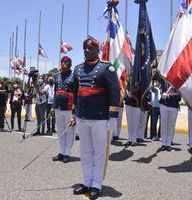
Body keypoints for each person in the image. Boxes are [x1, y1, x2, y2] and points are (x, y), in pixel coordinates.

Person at [71, 37, 120, 199]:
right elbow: (76, 94)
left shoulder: (107, 68)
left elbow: (115, 93)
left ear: (97, 50)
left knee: (99, 153)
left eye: (90, 49)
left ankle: (96, 184)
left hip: (100, 118)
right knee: (85, 152)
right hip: (83, 117)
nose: (86, 51)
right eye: (85, 48)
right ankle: (86, 182)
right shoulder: (78, 69)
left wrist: (112, 117)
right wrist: (74, 114)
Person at [51, 56, 75, 163]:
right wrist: (53, 107)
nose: (64, 63)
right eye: (62, 62)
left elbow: (76, 93)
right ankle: (61, 152)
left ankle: (67, 153)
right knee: (60, 131)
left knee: (69, 131)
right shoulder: (57, 76)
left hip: (69, 108)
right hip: (59, 107)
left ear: (70, 64)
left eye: (66, 62)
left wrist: (75, 109)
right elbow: (56, 92)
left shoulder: (74, 76)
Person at [159, 85, 181, 151]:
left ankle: (168, 144)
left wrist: (168, 96)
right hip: (164, 105)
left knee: (171, 126)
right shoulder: (164, 81)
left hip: (173, 106)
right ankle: (163, 144)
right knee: (163, 125)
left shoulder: (178, 83)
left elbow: (179, 96)